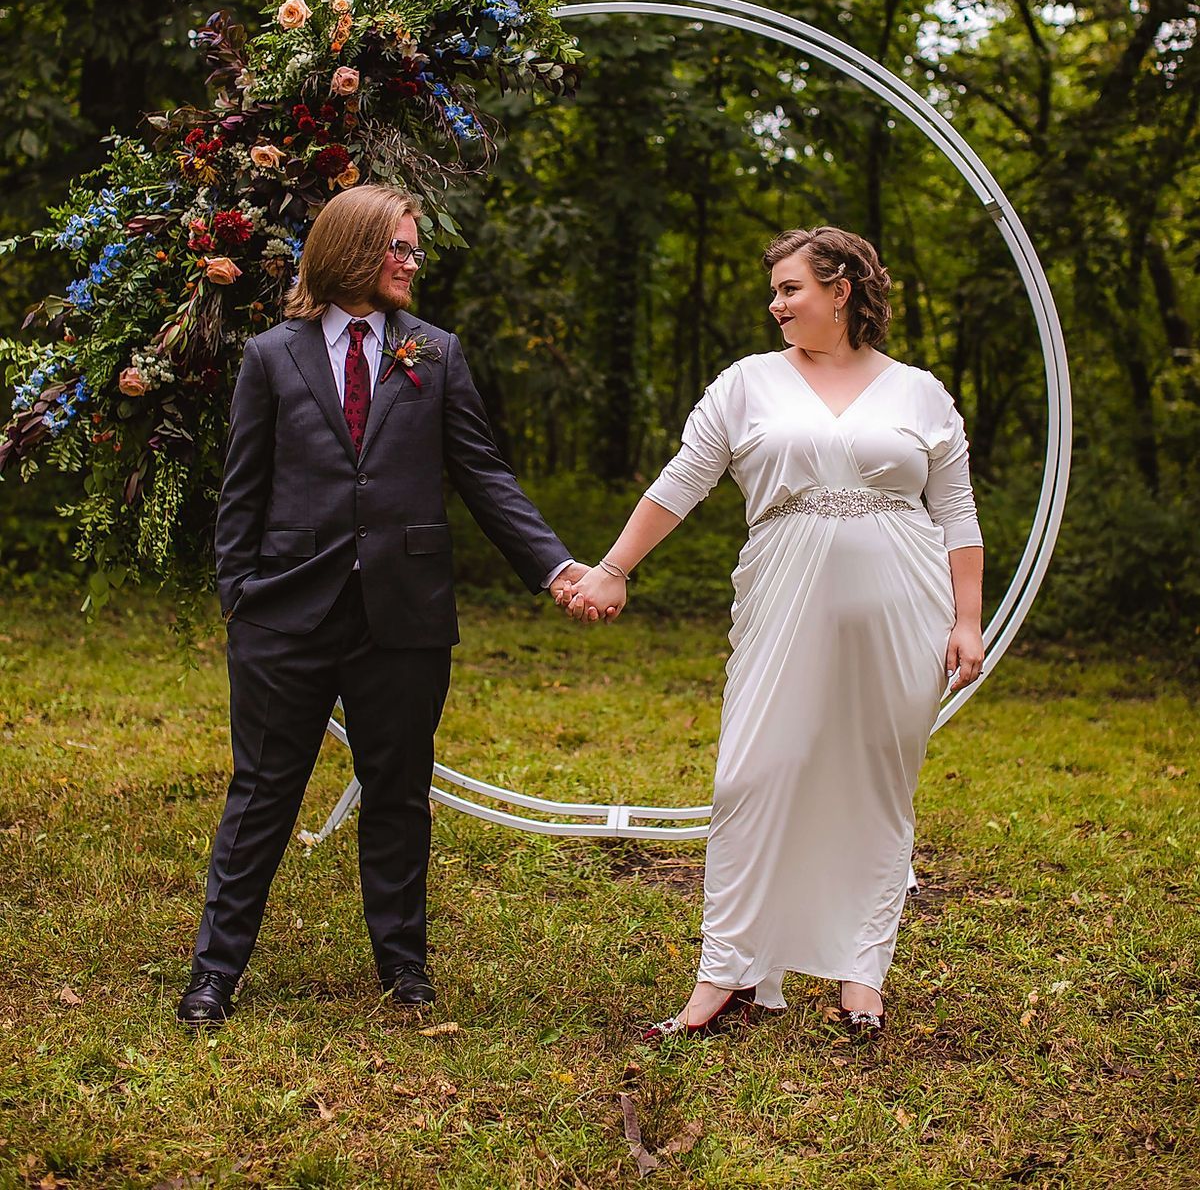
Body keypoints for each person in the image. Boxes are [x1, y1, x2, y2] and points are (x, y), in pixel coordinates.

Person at [560, 225, 985, 1040]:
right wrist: (614, 567)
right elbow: (682, 480)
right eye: (776, 289)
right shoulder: (748, 383)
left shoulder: (920, 393)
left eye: (790, 288)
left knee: (875, 784)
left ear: (841, 289)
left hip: (906, 605)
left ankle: (862, 973)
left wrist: (966, 620)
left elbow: (956, 510)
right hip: (783, 595)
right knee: (752, 776)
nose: (775, 302)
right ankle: (730, 974)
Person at [178, 184, 587, 1027]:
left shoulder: (434, 353)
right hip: (284, 615)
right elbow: (241, 492)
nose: (413, 261)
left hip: (404, 616)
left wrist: (553, 569)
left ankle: (404, 969)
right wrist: (240, 603)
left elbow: (483, 475)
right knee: (261, 794)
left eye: (413, 249)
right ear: (354, 251)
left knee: (397, 793)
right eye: (399, 247)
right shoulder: (271, 356)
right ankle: (215, 974)